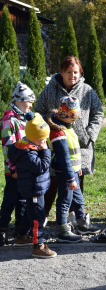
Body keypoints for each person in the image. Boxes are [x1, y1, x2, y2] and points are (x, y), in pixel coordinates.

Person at [35, 56, 104, 224]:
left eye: (76, 72)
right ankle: (43, 215)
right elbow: (38, 112)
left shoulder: (87, 90)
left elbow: (98, 113)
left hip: (80, 146)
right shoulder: (50, 90)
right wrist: (50, 121)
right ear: (61, 72)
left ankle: (74, 215)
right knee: (52, 180)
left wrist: (90, 134)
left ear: (80, 73)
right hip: (54, 144)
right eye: (68, 72)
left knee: (77, 181)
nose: (72, 76)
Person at [46, 97, 100, 243]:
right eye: (74, 117)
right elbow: (64, 158)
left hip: (74, 172)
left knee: (78, 198)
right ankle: (63, 230)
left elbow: (74, 152)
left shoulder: (68, 128)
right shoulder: (58, 133)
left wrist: (78, 169)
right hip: (65, 174)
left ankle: (82, 223)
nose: (76, 121)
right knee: (65, 200)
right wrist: (70, 178)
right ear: (66, 115)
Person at [7, 112, 57, 258]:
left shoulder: (28, 147)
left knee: (31, 214)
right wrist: (46, 150)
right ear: (34, 138)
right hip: (34, 189)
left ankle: (22, 236)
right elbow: (42, 166)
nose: (44, 141)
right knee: (38, 218)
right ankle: (38, 246)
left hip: (35, 187)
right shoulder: (28, 153)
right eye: (42, 139)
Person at [0, 82, 35, 246]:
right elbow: (8, 147)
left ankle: (20, 231)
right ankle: (2, 229)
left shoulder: (24, 119)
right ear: (20, 100)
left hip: (24, 169)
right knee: (10, 199)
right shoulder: (9, 120)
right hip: (14, 170)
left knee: (22, 199)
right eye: (30, 101)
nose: (31, 105)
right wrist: (14, 167)